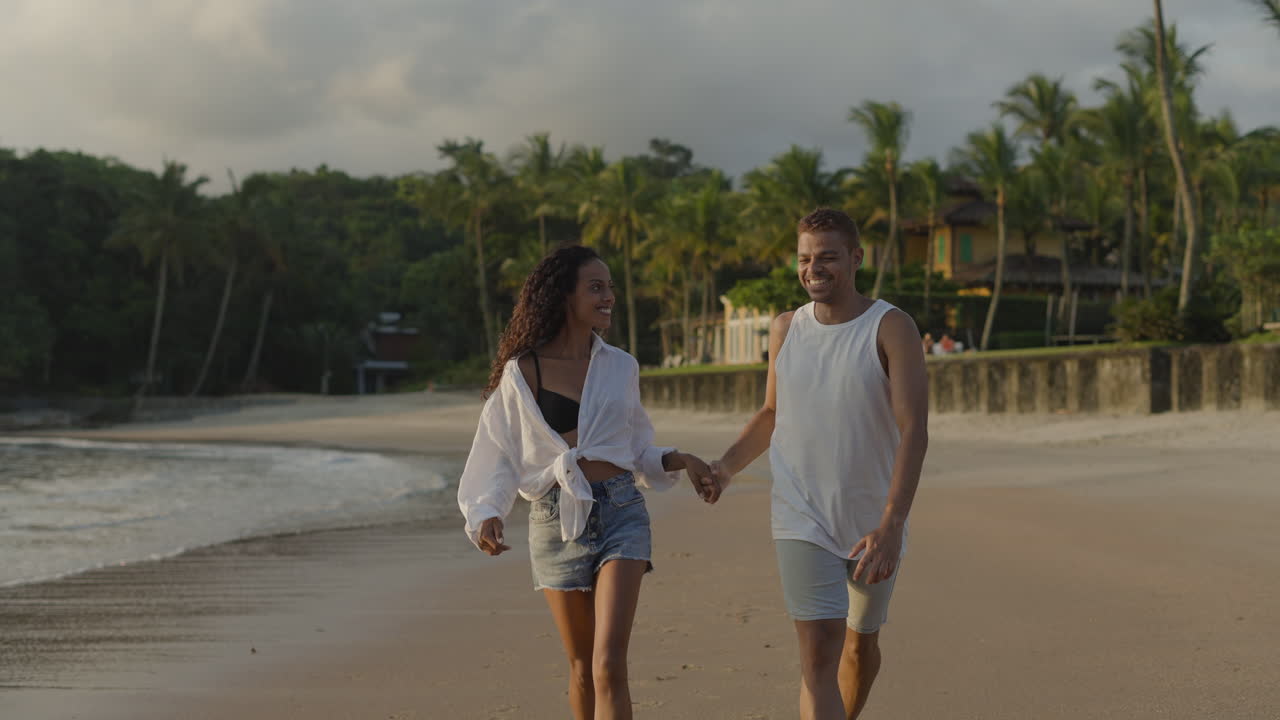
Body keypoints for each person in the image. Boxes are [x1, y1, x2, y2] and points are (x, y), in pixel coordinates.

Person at [457, 245, 714, 720]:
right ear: (564, 295)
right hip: (555, 520)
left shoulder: (621, 366)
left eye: (610, 287)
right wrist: (486, 513)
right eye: (596, 287)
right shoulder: (522, 372)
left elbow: (635, 449)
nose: (608, 296)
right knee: (580, 666)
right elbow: (496, 450)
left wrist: (684, 459)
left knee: (608, 663)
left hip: (621, 512)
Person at [705, 208, 929, 719]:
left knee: (859, 645)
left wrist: (892, 523)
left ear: (855, 258)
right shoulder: (786, 328)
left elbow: (914, 430)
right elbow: (771, 413)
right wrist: (725, 467)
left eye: (827, 256)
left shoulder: (891, 327)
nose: (814, 268)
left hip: (874, 519)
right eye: (805, 258)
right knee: (819, 655)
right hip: (800, 515)